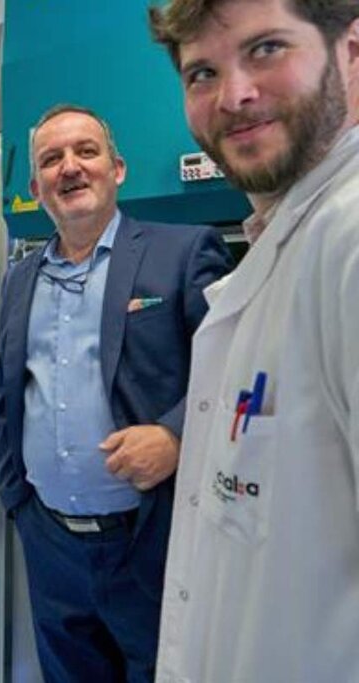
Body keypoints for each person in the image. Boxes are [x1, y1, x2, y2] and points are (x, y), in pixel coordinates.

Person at [147, 1, 359, 680]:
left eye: (267, 49)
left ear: (351, 51)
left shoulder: (349, 238)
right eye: (202, 72)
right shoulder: (283, 241)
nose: (233, 96)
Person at [0, 106, 232, 682]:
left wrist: (176, 434)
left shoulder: (182, 252)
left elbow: (233, 370)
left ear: (117, 169)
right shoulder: (19, 279)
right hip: (49, 537)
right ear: (35, 187)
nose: (69, 168)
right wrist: (16, 497)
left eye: (86, 152)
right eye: (51, 159)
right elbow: (11, 392)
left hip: (147, 537)